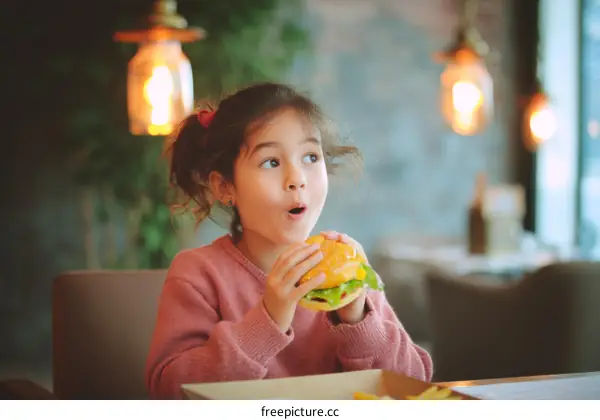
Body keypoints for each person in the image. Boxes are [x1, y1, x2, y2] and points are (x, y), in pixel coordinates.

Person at [145, 82, 433, 399]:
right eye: (271, 162)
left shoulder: (349, 270)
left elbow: (414, 385)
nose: (296, 178)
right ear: (225, 187)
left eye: (311, 156)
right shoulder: (197, 275)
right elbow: (169, 392)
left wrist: (358, 319)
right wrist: (267, 320)